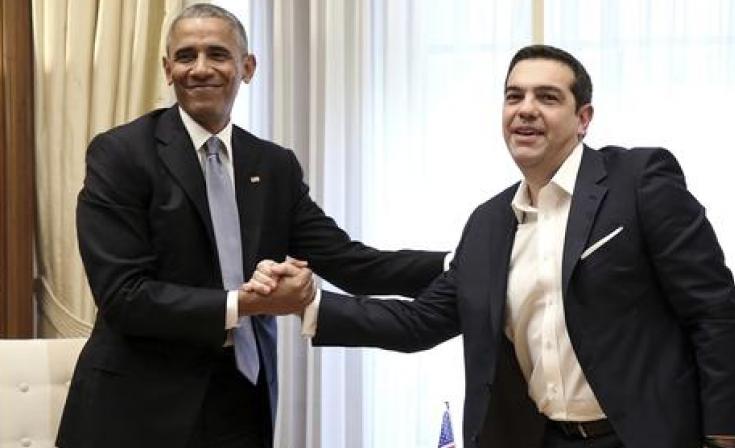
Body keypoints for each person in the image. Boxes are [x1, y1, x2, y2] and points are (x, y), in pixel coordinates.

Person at [254, 45, 735, 448]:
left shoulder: (640, 180)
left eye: (547, 97)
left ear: (584, 118)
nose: (526, 110)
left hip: (645, 435)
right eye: (513, 97)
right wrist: (309, 303)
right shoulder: (489, 224)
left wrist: (724, 435)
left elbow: (714, 311)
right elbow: (420, 322)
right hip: (541, 437)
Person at [56, 4, 445, 448]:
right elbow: (124, 296)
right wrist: (244, 304)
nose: (200, 68)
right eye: (186, 56)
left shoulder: (273, 165)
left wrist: (464, 262)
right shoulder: (120, 154)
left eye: (217, 54)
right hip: (137, 407)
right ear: (167, 70)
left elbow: (352, 263)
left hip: (242, 399)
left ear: (247, 67)